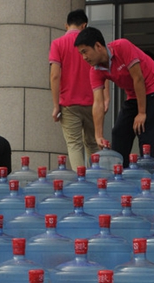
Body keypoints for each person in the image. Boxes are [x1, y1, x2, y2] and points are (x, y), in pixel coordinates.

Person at [74, 27, 154, 164]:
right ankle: (120, 172)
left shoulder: (122, 47)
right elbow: (98, 103)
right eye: (81, 54)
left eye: (85, 52)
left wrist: (142, 112)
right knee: (119, 132)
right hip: (134, 95)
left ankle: (149, 174)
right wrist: (98, 135)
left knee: (146, 132)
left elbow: (138, 78)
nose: (84, 57)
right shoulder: (95, 71)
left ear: (98, 46)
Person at [49, 9, 106, 169]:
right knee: (94, 143)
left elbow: (55, 75)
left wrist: (55, 105)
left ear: (66, 25)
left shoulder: (57, 44)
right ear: (84, 25)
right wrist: (106, 98)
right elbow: (104, 68)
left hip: (69, 104)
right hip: (93, 102)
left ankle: (80, 182)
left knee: (74, 145)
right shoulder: (91, 44)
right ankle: (97, 179)